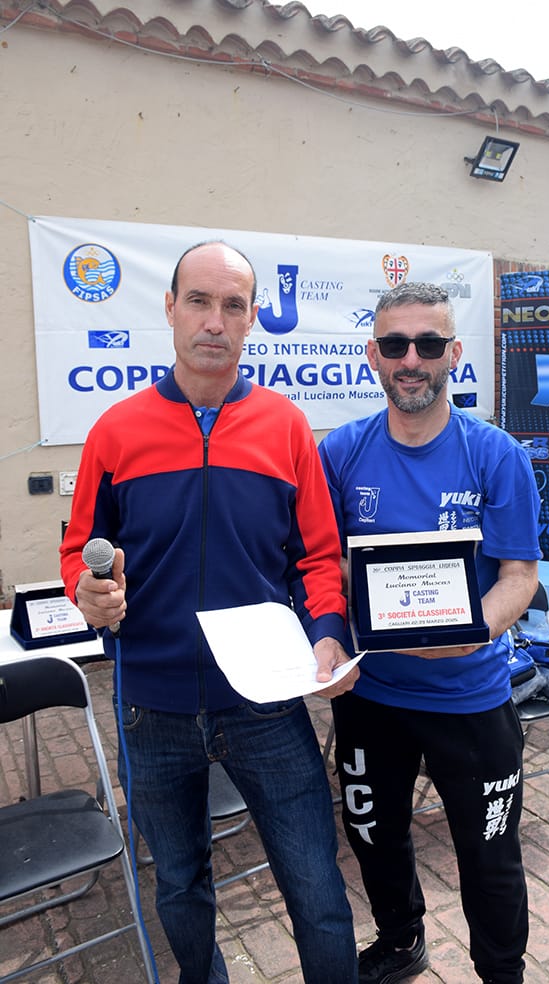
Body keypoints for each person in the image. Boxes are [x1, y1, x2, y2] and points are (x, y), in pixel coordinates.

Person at [60, 241, 360, 984]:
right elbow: (78, 552)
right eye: (198, 300)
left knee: (316, 887)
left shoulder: (286, 427)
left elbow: (319, 558)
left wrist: (327, 633)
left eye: (233, 305)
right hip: (151, 707)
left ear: (253, 318)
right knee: (180, 885)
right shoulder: (115, 433)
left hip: (267, 704)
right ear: (170, 308)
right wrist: (86, 592)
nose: (215, 322)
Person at [318, 282, 541, 984]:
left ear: (454, 353)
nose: (411, 359)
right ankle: (400, 940)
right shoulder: (341, 453)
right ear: (372, 356)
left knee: (489, 856)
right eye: (395, 344)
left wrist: (473, 632)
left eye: (428, 344)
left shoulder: (496, 454)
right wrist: (331, 633)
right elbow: (322, 565)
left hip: (470, 697)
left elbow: (519, 576)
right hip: (373, 694)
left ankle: (501, 973)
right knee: (374, 836)